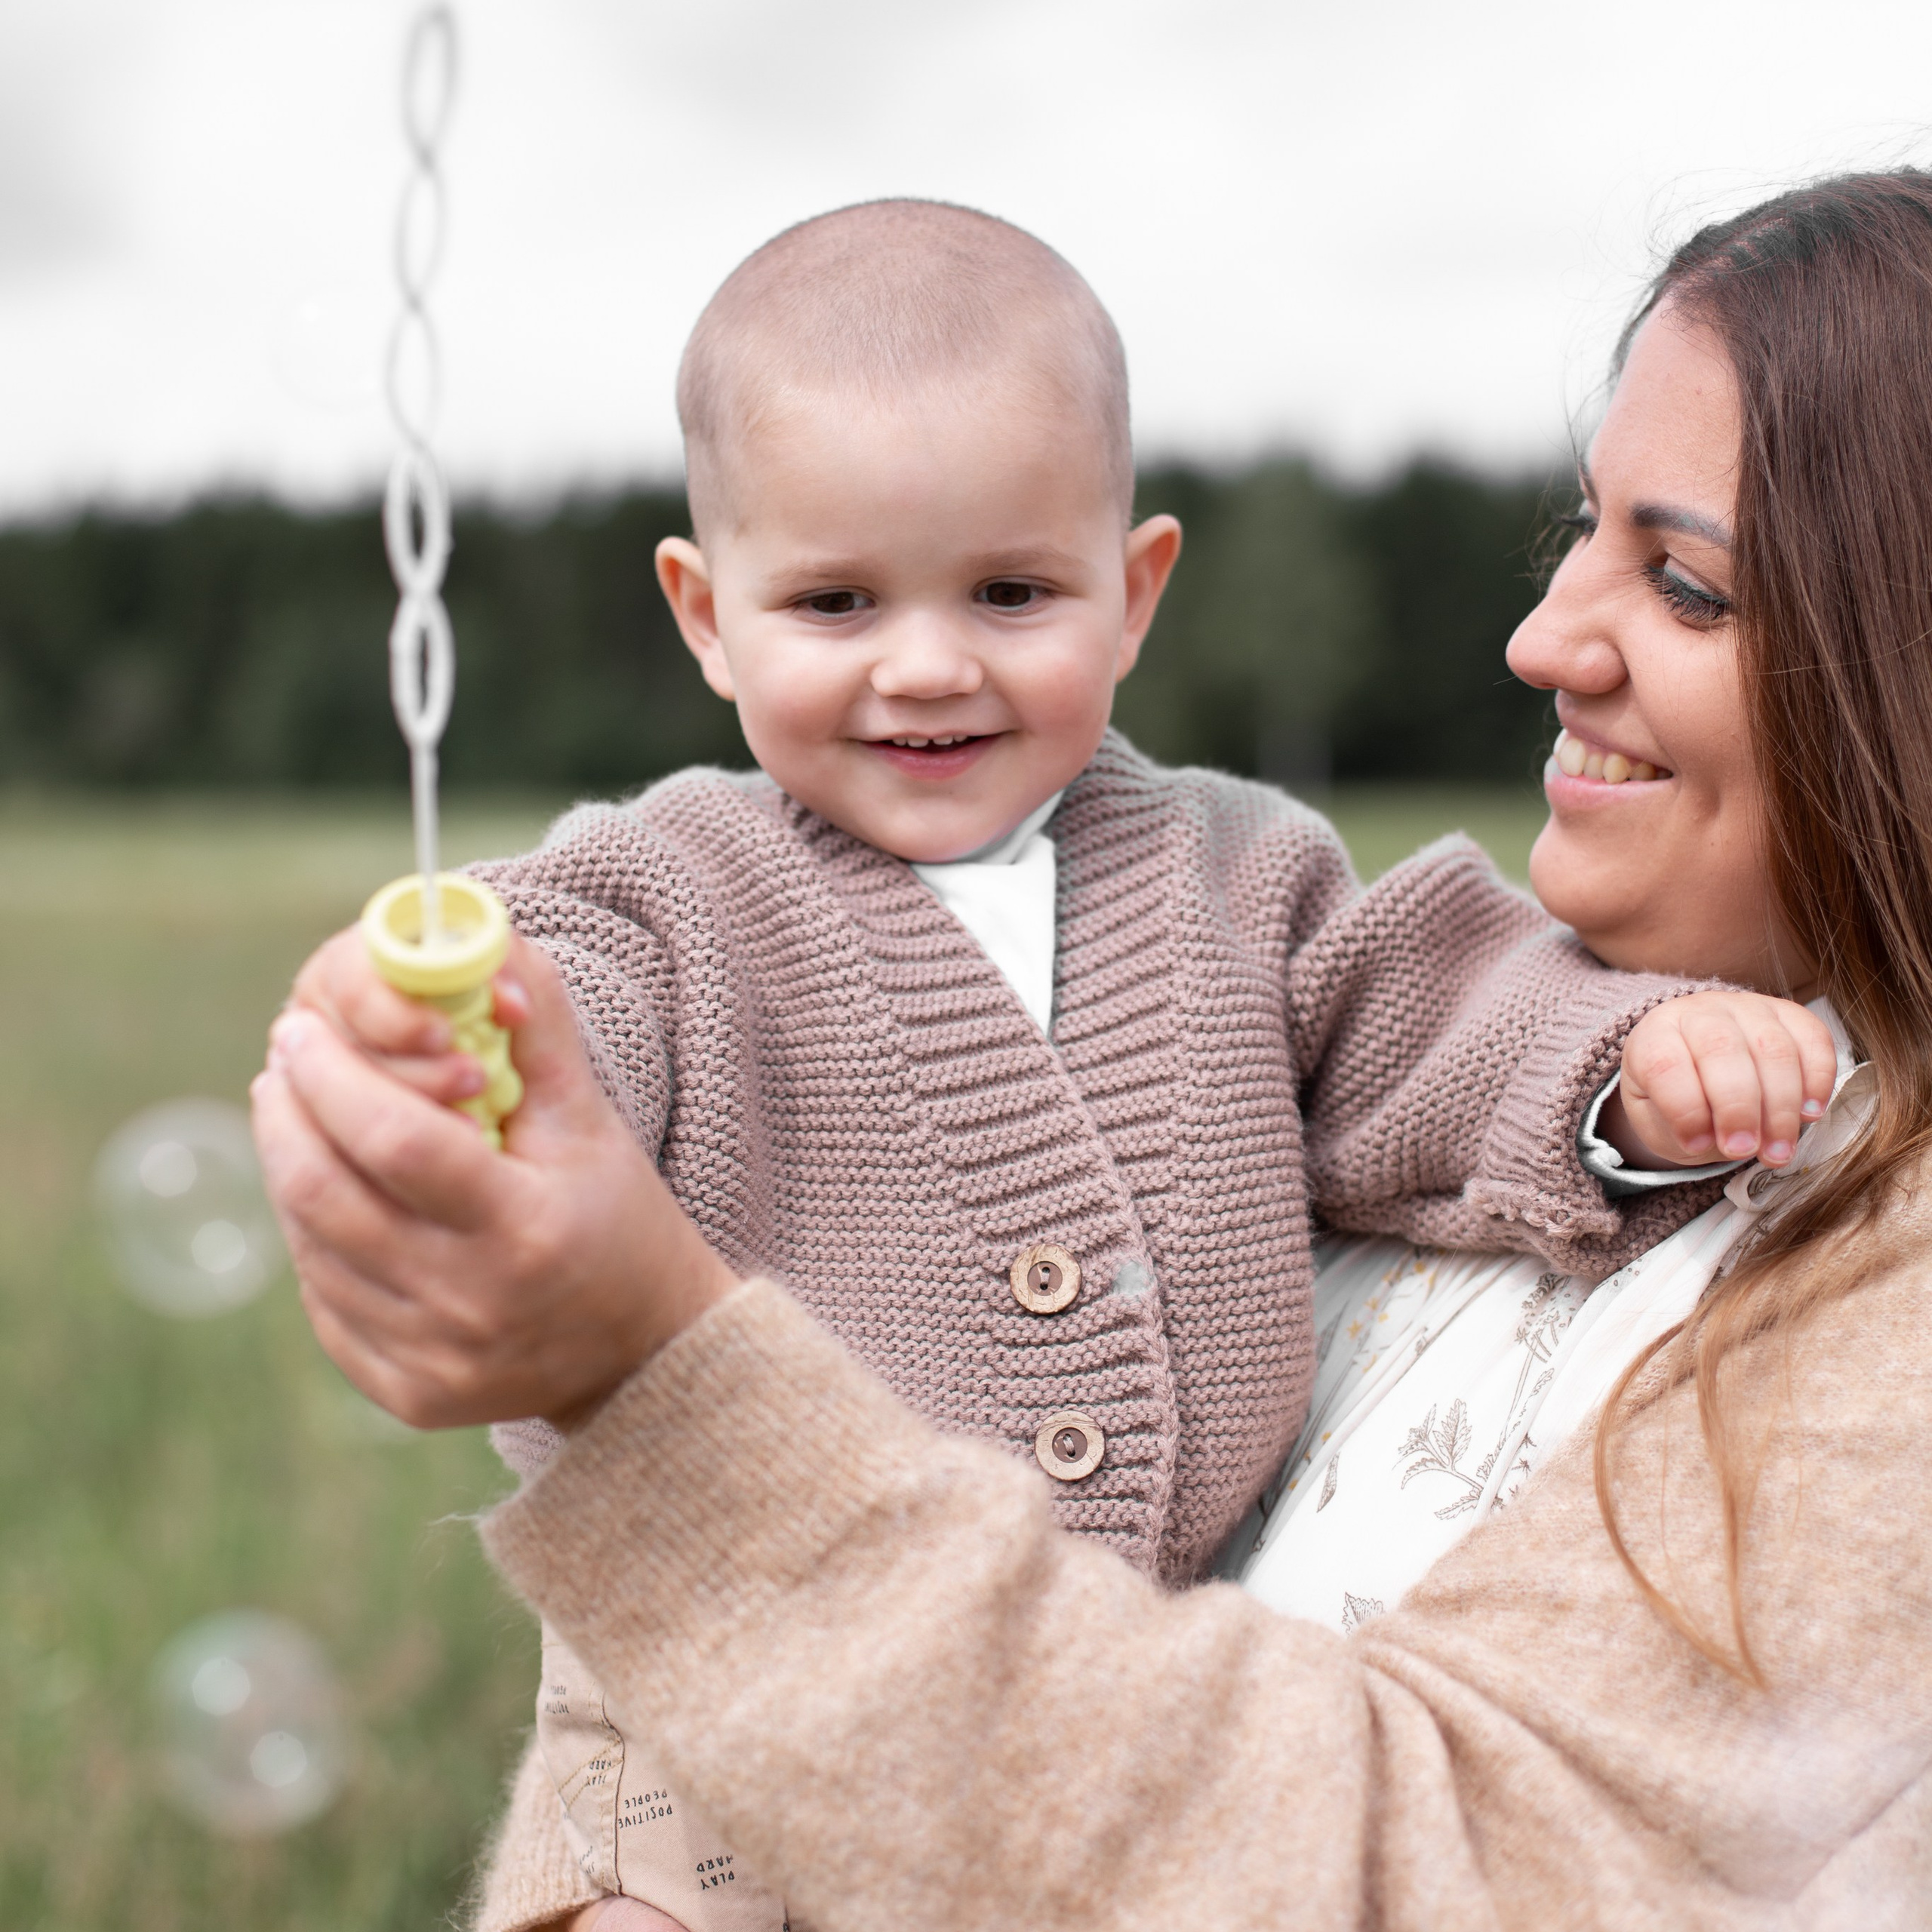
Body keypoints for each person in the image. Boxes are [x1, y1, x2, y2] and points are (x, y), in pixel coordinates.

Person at [251, 184, 1870, 1931]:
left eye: (1012, 590)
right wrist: (450, 1033)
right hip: (713, 1661)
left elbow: (1438, 1014)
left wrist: (1632, 1066)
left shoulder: (1239, 873)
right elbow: (567, 972)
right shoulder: (677, 888)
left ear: (1134, 591)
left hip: (1114, 1667)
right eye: (834, 603)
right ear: (707, 614)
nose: (927, 664)